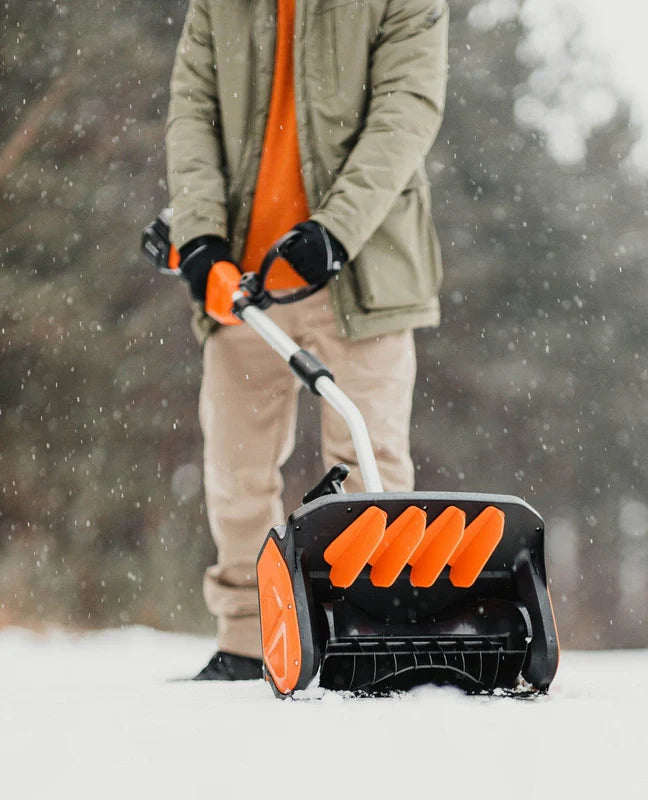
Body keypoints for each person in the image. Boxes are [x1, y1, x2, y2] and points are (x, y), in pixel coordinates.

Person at [165, 0, 449, 679]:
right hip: (243, 278)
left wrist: (336, 230)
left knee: (369, 468)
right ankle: (246, 641)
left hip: (362, 269)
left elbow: (404, 114)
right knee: (235, 475)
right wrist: (200, 236)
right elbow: (191, 111)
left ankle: (367, 632)